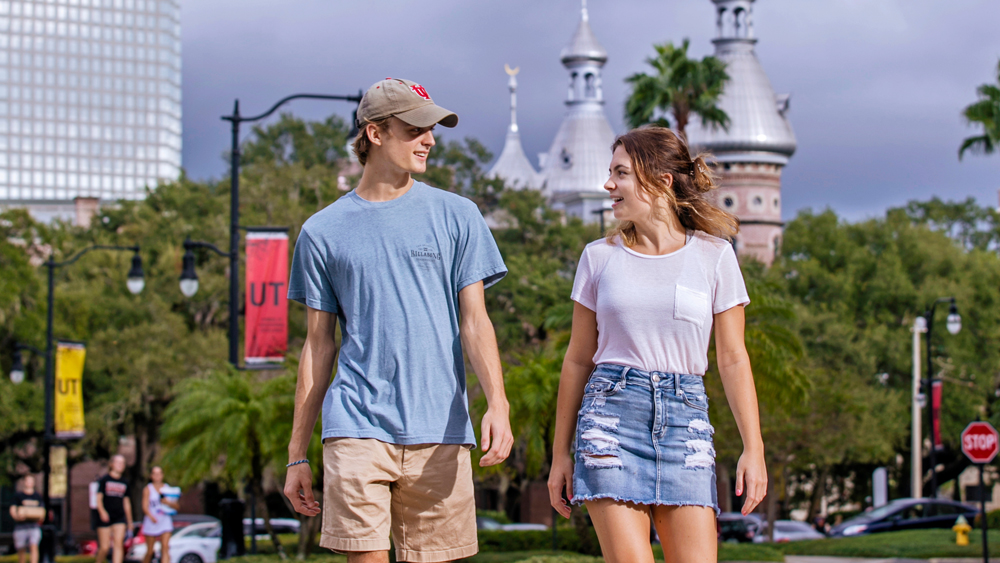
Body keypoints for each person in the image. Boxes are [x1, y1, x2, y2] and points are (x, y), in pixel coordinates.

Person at [282, 77, 514, 563]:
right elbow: (319, 346)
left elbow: (475, 322)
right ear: (375, 133)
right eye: (414, 128)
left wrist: (499, 404)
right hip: (355, 425)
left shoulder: (458, 215)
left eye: (431, 129)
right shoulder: (321, 232)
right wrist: (297, 454)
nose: (429, 139)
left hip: (442, 429)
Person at [547, 127, 768, 563]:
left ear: (662, 181)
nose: (608, 184)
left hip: (686, 424)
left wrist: (754, 448)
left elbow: (733, 358)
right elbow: (576, 360)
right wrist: (559, 455)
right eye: (610, 173)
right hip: (610, 419)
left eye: (620, 173)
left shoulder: (714, 255)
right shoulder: (599, 256)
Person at [96, 455, 133, 563]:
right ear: (111, 464)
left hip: (119, 517)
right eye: (118, 462)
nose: (120, 465)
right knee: (105, 547)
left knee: (118, 545)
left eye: (122, 463)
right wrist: (102, 512)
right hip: (105, 517)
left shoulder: (125, 482)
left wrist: (129, 521)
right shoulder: (104, 480)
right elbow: (98, 499)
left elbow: (127, 503)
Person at [141, 466, 178, 563]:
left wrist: (168, 503)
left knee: (165, 548)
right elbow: (145, 507)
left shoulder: (168, 489)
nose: (157, 476)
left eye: (159, 473)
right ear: (151, 476)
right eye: (155, 473)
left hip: (165, 521)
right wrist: (151, 516)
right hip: (152, 521)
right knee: (150, 551)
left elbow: (176, 506)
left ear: (162, 475)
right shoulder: (148, 489)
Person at [10, 475, 44, 563]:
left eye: (31, 481)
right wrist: (17, 517)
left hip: (34, 526)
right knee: (21, 549)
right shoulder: (18, 495)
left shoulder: (37, 495)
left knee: (34, 546)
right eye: (27, 481)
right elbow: (13, 509)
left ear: (33, 483)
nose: (29, 483)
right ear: (24, 482)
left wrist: (41, 517)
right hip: (21, 527)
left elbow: (42, 511)